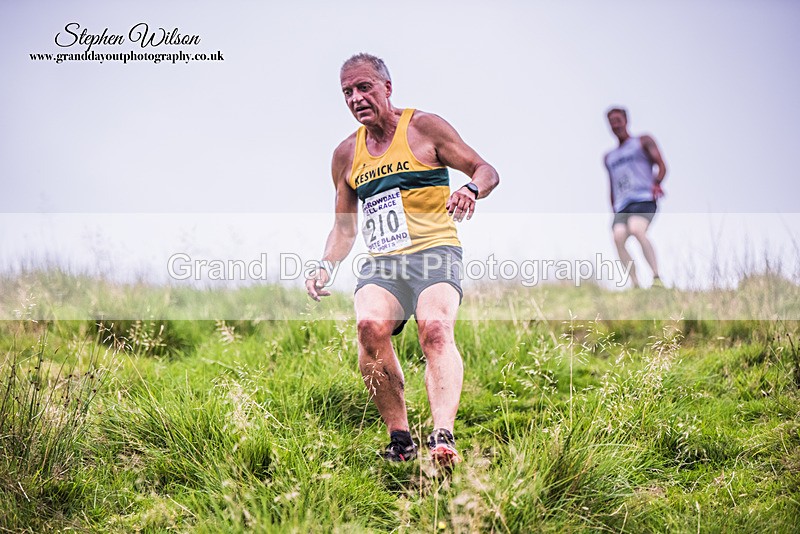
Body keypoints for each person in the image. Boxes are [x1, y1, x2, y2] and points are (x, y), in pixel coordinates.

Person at [305, 53, 499, 467]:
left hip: (435, 253)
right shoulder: (345, 155)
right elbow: (343, 229)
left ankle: (442, 435)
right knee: (369, 327)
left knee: (434, 329)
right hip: (384, 263)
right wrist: (324, 264)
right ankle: (400, 439)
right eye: (347, 92)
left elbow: (485, 169)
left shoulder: (423, 128)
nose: (356, 98)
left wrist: (470, 189)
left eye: (364, 88)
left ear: (386, 88)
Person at [604, 107, 667, 288]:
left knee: (637, 229)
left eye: (618, 120)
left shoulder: (643, 141)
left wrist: (657, 183)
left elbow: (661, 165)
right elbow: (612, 184)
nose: (615, 124)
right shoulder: (609, 157)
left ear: (626, 120)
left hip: (643, 197)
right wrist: (613, 206)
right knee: (618, 238)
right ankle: (635, 283)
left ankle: (656, 278)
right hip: (623, 203)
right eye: (611, 122)